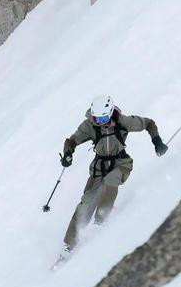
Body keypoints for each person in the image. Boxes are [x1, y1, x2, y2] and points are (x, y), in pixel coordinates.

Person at [60, 95, 167, 253]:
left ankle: (100, 222)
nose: (100, 122)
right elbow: (71, 141)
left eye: (103, 118)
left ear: (110, 112)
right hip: (99, 167)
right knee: (86, 202)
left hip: (121, 163)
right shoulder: (90, 125)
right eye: (97, 118)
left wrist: (157, 142)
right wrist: (68, 154)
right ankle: (69, 245)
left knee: (111, 180)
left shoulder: (123, 122)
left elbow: (149, 123)